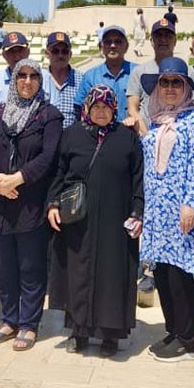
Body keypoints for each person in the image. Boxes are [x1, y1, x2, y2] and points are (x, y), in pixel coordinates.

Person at [46, 86, 144, 356]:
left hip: (116, 220)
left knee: (112, 275)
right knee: (77, 273)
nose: (101, 112)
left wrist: (137, 212)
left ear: (115, 109)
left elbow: (138, 178)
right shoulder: (72, 135)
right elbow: (58, 172)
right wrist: (52, 204)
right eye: (96, 107)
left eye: (106, 107)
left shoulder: (126, 137)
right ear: (87, 108)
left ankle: (110, 335)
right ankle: (78, 331)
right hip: (78, 220)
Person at [0, 58, 62, 351]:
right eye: (21, 76)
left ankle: (28, 323)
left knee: (30, 266)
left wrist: (18, 178)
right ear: (14, 80)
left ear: (40, 81)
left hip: (30, 203)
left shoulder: (49, 116)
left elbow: (48, 157)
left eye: (33, 76)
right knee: (5, 267)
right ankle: (9, 319)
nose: (27, 81)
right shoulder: (0, 113)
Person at [139, 58, 194, 362]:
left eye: (176, 83)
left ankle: (189, 339)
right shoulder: (156, 119)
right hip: (157, 212)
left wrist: (191, 203)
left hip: (181, 212)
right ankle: (174, 329)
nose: (169, 88)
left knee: (181, 274)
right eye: (164, 82)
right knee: (163, 272)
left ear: (186, 87)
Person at [125, 19, 194, 135]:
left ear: (175, 41)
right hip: (146, 134)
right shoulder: (139, 72)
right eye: (158, 36)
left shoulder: (188, 72)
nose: (163, 39)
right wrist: (148, 137)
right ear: (151, 41)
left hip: (180, 135)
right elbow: (132, 109)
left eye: (168, 36)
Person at [75, 25, 136, 122]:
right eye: (108, 42)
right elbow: (80, 108)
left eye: (118, 41)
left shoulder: (138, 73)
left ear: (126, 47)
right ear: (101, 47)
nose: (113, 45)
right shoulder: (90, 77)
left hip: (132, 130)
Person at [41, 32, 82, 127]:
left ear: (70, 54)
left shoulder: (82, 80)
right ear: (47, 54)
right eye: (55, 51)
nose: (60, 55)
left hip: (72, 135)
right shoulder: (39, 79)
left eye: (65, 51)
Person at [0, 32, 32, 102]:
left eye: (20, 50)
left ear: (28, 51)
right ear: (4, 55)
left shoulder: (44, 77)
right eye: (11, 51)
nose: (16, 55)